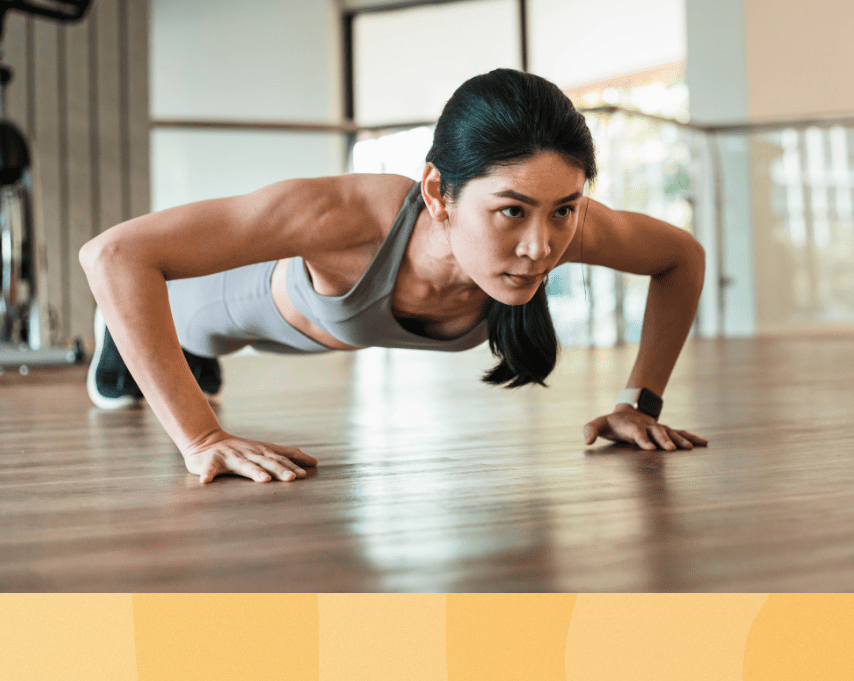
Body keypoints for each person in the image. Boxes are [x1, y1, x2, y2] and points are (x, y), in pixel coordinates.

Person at [80, 69, 707, 485]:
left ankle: (196, 365)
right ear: (438, 191)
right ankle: (132, 336)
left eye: (564, 209)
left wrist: (638, 403)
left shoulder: (561, 228)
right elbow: (113, 256)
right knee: (186, 335)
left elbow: (680, 257)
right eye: (511, 210)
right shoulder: (349, 215)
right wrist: (201, 438)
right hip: (216, 303)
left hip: (311, 334)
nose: (541, 245)